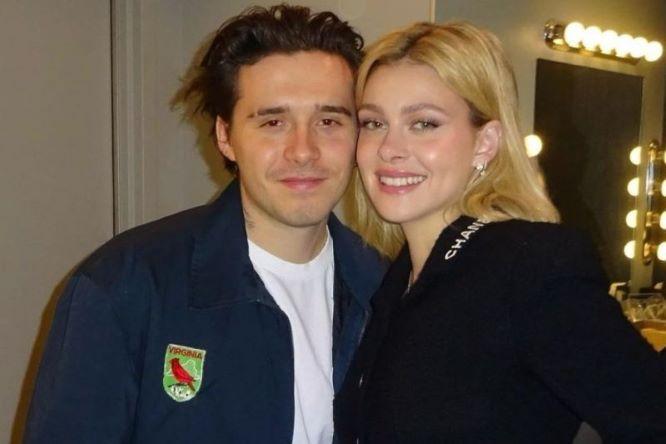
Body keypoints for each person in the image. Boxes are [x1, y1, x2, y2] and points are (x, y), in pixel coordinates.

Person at [25, 5, 386, 443]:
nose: (303, 150)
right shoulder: (123, 287)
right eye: (273, 122)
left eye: (328, 121)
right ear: (225, 136)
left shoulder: (384, 288)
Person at [335, 21, 666, 443]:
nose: (389, 149)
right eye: (373, 123)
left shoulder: (527, 266)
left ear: (485, 142)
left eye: (424, 124)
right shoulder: (396, 280)